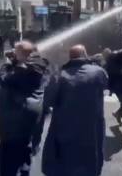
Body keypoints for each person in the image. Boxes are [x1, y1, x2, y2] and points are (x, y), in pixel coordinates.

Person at [42, 45, 108, 176]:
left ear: (70, 57)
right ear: (85, 54)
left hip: (65, 128)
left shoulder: (59, 75)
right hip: (91, 127)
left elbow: (48, 100)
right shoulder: (99, 72)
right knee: (90, 159)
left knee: (65, 162)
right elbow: (105, 84)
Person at [0, 41, 48, 176]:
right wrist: (15, 61)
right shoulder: (38, 66)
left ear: (21, 53)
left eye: (16, 51)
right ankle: (25, 168)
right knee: (24, 149)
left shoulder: (24, 70)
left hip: (16, 119)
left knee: (8, 159)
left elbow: (3, 78)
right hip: (29, 118)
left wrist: (7, 63)